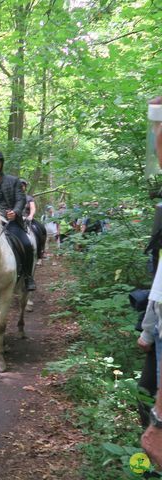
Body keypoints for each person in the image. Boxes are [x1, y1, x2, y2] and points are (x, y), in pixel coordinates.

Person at [0, 148, 36, 290]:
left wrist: (15, 212)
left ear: (1, 163)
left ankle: (27, 277)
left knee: (27, 244)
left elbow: (20, 200)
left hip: (11, 222)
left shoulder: (14, 181)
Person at [142, 95, 162, 469]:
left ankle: (28, 274)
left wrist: (16, 211)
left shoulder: (14, 182)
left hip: (7, 221)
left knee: (26, 238)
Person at [20, 179, 46, 262]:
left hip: (28, 219)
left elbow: (33, 208)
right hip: (16, 219)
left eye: (22, 185)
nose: (21, 187)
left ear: (25, 187)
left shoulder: (29, 198)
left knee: (41, 228)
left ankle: (40, 250)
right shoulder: (12, 198)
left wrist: (31, 215)